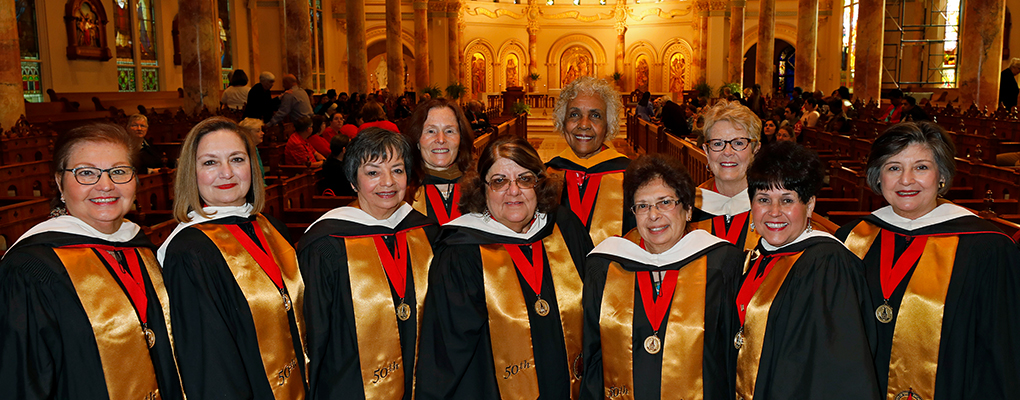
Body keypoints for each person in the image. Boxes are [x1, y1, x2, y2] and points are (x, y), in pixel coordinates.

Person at [835, 122, 1020, 399]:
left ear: (941, 176)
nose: (906, 180)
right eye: (893, 167)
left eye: (921, 167)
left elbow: (1001, 352)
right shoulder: (851, 239)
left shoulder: (986, 247)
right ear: (878, 177)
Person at [0, 124, 184, 400]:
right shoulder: (31, 270)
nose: (106, 185)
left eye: (119, 171)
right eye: (86, 173)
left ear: (136, 180)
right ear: (60, 183)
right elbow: (23, 384)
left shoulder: (142, 249)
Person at [416, 135, 594, 400]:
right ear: (482, 188)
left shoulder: (565, 229)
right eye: (499, 181)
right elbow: (446, 358)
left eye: (525, 179)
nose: (514, 191)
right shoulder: (460, 254)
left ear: (539, 184)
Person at [158, 117, 306, 399]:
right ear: (192, 172)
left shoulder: (271, 227)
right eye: (210, 163)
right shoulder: (189, 252)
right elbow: (209, 364)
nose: (226, 173)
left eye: (237, 159)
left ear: (252, 165)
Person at [580, 154, 742, 400]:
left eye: (665, 202)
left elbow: (731, 357)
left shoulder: (721, 265)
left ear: (688, 209)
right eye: (642, 206)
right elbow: (593, 356)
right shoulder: (606, 266)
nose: (653, 215)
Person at [297, 128, 438, 399]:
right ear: (353, 181)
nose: (388, 182)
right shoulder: (325, 245)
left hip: (424, 382)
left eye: (397, 170)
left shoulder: (427, 234)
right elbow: (315, 333)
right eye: (373, 172)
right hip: (350, 385)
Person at [735, 141, 880, 399]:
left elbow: (836, 370)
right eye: (764, 199)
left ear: (810, 204)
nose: (774, 212)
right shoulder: (756, 258)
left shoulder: (826, 264)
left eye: (787, 200)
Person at [546, 76, 633, 246]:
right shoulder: (547, 175)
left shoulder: (631, 177)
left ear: (608, 125)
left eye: (595, 115)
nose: (584, 124)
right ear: (563, 122)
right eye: (574, 114)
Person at [689, 100, 762, 252]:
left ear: (755, 150)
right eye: (717, 144)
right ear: (706, 151)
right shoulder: (688, 207)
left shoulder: (772, 209)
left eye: (739, 143)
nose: (727, 152)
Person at [407, 98, 475, 225]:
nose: (441, 139)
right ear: (417, 139)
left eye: (449, 131)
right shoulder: (402, 191)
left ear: (461, 138)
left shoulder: (481, 187)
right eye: (431, 131)